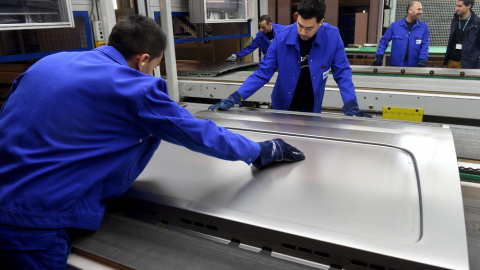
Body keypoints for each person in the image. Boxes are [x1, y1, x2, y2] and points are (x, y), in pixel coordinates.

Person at [0, 15, 305, 269]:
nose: (151, 73)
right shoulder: (131, 85)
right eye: (154, 66)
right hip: (36, 225)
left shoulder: (45, 64)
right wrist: (259, 150)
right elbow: (195, 132)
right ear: (143, 59)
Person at [211, 0, 370, 116]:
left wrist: (351, 104)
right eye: (300, 25)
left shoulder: (332, 37)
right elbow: (263, 73)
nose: (302, 32)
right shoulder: (281, 38)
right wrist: (236, 97)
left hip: (312, 107)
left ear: (321, 22)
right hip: (282, 107)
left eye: (309, 28)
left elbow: (342, 73)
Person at [373, 1, 430, 67]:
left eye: (421, 9)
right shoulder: (395, 26)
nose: (421, 12)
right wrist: (379, 57)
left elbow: (424, 45)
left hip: (414, 66)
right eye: (419, 9)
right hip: (396, 65)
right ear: (410, 10)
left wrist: (422, 60)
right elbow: (384, 41)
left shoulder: (424, 27)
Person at [443, 0, 480, 69]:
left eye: (459, 6)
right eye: (456, 6)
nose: (456, 8)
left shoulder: (477, 23)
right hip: (451, 60)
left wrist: (473, 58)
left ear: (469, 6)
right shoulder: (455, 20)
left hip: (468, 63)